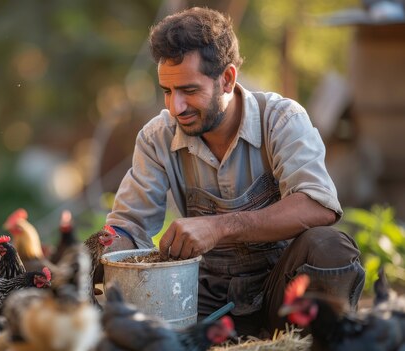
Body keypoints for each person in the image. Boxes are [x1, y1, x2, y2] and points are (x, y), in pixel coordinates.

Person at [104, 6, 365, 337]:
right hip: (202, 300)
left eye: (189, 90)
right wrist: (105, 248)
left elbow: (319, 205)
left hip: (283, 293)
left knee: (331, 247)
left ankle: (315, 341)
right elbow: (128, 226)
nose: (175, 107)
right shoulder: (157, 137)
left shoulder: (282, 120)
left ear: (226, 79)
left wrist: (219, 227)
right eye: (167, 91)